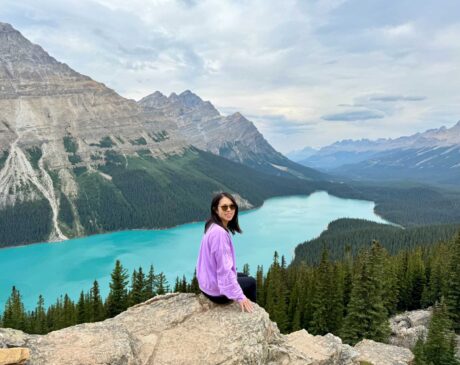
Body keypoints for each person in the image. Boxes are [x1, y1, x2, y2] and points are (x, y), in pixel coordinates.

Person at [196, 192, 256, 313]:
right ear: (216, 209)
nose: (229, 210)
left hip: (206, 284)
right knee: (251, 282)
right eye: (224, 207)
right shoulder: (219, 234)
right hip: (216, 293)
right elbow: (224, 269)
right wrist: (240, 296)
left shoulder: (211, 224)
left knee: (243, 276)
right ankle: (252, 312)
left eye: (232, 206)